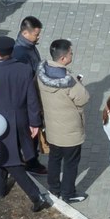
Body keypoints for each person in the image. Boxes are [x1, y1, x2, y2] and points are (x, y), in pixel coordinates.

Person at [0, 33, 49, 212]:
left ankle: (36, 196)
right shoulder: (25, 69)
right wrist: (35, 123)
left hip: (1, 124)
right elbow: (32, 98)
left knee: (11, 160)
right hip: (23, 119)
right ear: (12, 50)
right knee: (5, 154)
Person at [37, 38, 88, 203]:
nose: (72, 54)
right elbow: (83, 98)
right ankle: (68, 193)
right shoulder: (69, 82)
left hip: (52, 129)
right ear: (63, 59)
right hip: (70, 132)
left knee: (54, 158)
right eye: (71, 53)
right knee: (71, 164)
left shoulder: (41, 74)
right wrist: (78, 84)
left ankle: (54, 189)